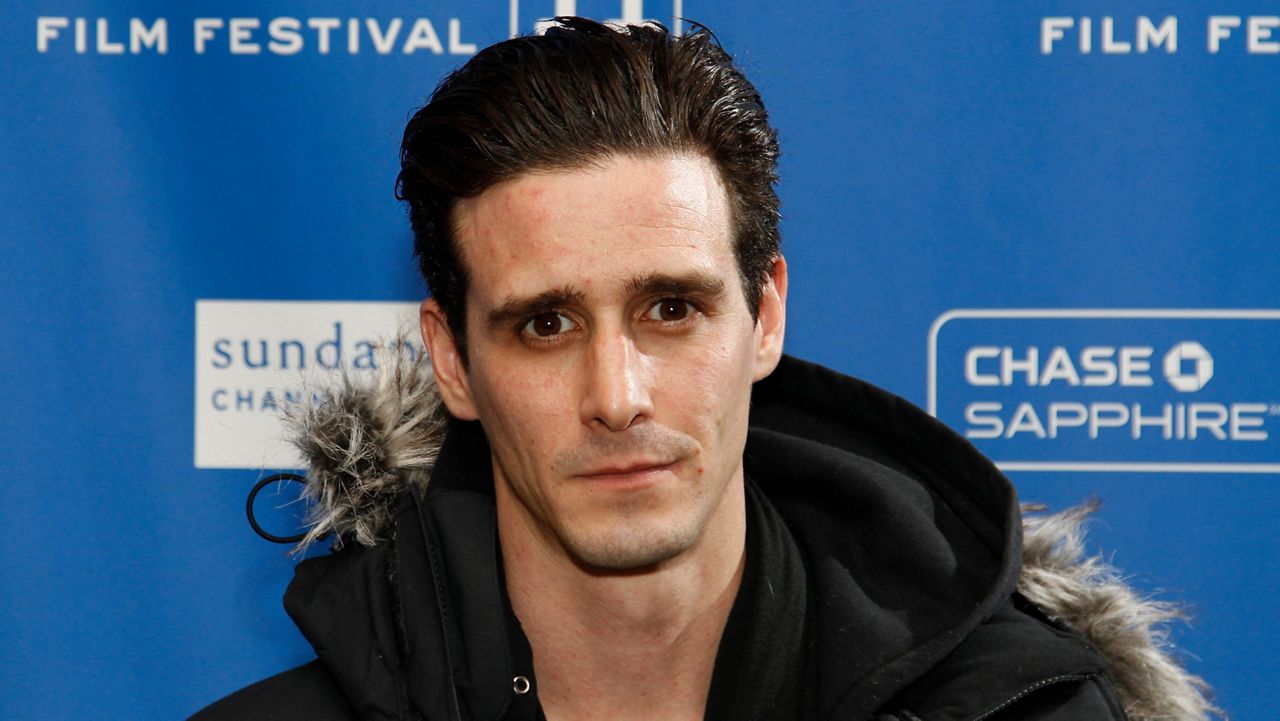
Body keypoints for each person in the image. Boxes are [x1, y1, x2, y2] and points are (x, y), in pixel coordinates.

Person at [192, 17, 1220, 721]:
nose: (616, 395)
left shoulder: (1017, 709)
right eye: (545, 323)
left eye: (671, 309)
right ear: (451, 360)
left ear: (764, 315)